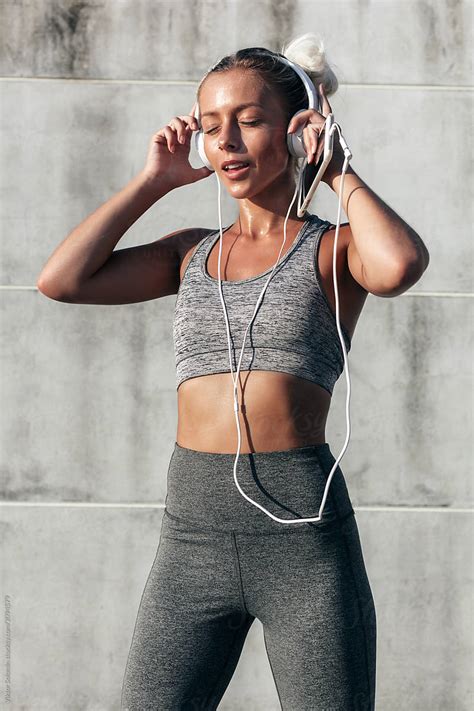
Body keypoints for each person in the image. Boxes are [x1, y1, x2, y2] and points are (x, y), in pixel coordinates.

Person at [37, 33, 429, 711]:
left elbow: (398, 265)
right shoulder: (189, 254)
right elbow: (60, 280)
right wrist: (152, 182)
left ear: (296, 130)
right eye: (212, 126)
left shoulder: (332, 250)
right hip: (190, 532)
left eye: (249, 121)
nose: (228, 141)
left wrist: (339, 172)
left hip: (303, 538)